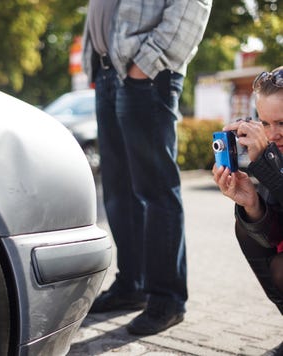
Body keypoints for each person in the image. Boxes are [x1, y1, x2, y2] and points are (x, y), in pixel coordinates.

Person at [82, 0, 212, 335]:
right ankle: (132, 286)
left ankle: (167, 299)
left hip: (145, 74)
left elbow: (193, 6)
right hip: (109, 71)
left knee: (155, 191)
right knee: (118, 192)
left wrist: (146, 64)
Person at [212, 66, 283, 356]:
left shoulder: (270, 154)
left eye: (282, 123)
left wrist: (268, 165)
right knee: (247, 228)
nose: (273, 134)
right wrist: (252, 203)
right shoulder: (275, 152)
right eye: (265, 123)